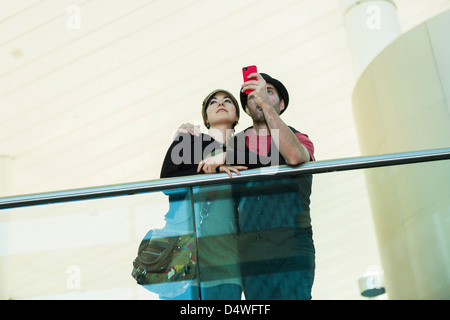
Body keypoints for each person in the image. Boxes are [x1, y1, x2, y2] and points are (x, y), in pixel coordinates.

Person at [190, 72, 316, 300]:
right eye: (252, 95)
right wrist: (186, 135)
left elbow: (295, 157)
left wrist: (266, 107)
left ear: (282, 103)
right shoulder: (233, 144)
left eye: (268, 92)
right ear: (246, 110)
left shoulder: (298, 137)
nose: (260, 97)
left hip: (292, 244)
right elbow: (198, 168)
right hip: (249, 253)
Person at [159, 89, 247, 300]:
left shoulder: (245, 149)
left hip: (226, 257)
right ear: (205, 118)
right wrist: (212, 170)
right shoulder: (191, 140)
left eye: (228, 101)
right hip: (183, 256)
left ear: (237, 116)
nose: (220, 103)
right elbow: (166, 182)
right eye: (213, 102)